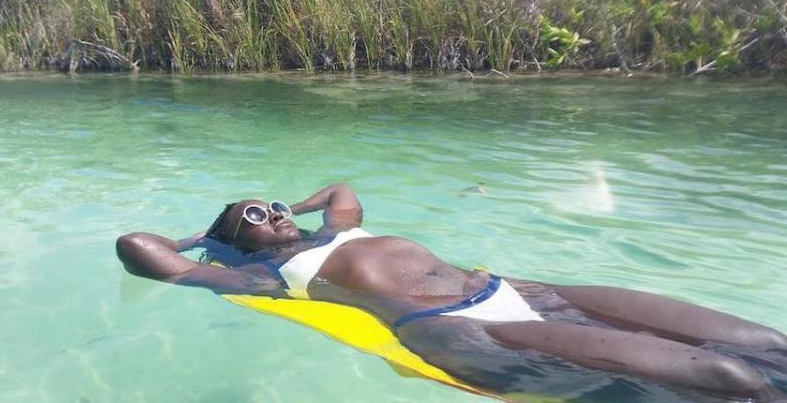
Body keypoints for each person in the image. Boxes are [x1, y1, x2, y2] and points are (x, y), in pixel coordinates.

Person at [116, 183, 787, 402]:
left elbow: (343, 190)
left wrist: (284, 202)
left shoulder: (329, 229)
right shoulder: (264, 276)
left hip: (526, 292)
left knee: (766, 344)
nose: (274, 214)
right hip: (461, 328)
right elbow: (137, 248)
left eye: (273, 205)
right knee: (730, 379)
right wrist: (206, 240)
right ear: (242, 241)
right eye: (255, 216)